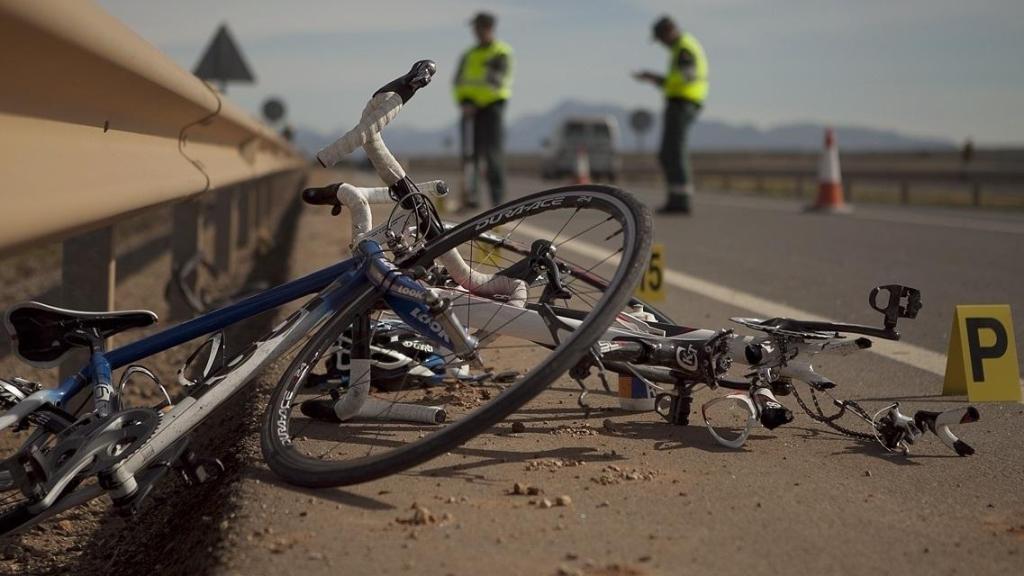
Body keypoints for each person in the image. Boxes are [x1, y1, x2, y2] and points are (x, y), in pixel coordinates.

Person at [633, 16, 708, 214]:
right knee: (669, 152)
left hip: (683, 103)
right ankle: (677, 199)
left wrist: (657, 79)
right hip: (681, 101)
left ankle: (681, 201)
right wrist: (655, 79)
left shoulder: (684, 48)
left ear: (669, 31)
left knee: (673, 152)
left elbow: (687, 78)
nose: (661, 43)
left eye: (661, 38)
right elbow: (679, 79)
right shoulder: (680, 48)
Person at [453, 12, 513, 210]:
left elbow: (497, 82)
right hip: (469, 109)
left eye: (478, 27)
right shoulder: (469, 54)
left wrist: (477, 103)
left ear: (487, 28)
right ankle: (471, 198)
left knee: (492, 155)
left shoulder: (501, 52)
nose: (475, 32)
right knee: (470, 155)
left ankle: (497, 201)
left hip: (491, 108)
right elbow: (458, 82)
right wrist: (464, 102)